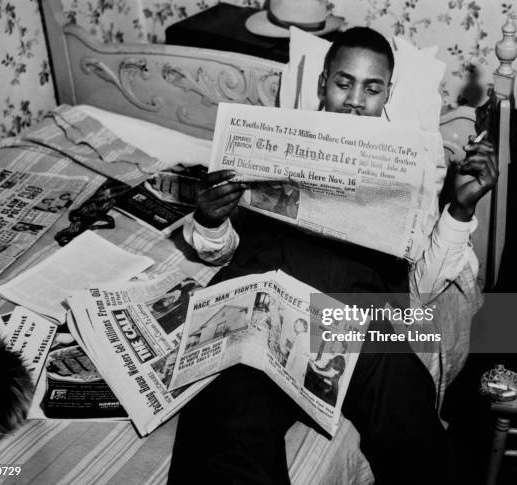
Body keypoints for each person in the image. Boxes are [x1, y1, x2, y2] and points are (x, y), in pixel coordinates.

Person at [170, 27, 497, 485]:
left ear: (388, 93)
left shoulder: (409, 164)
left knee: (405, 405)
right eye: (344, 83)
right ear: (323, 84)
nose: (355, 100)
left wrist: (460, 208)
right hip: (264, 311)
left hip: (349, 319)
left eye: (372, 87)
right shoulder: (276, 142)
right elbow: (218, 252)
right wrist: (209, 219)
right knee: (230, 425)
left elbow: (422, 291)